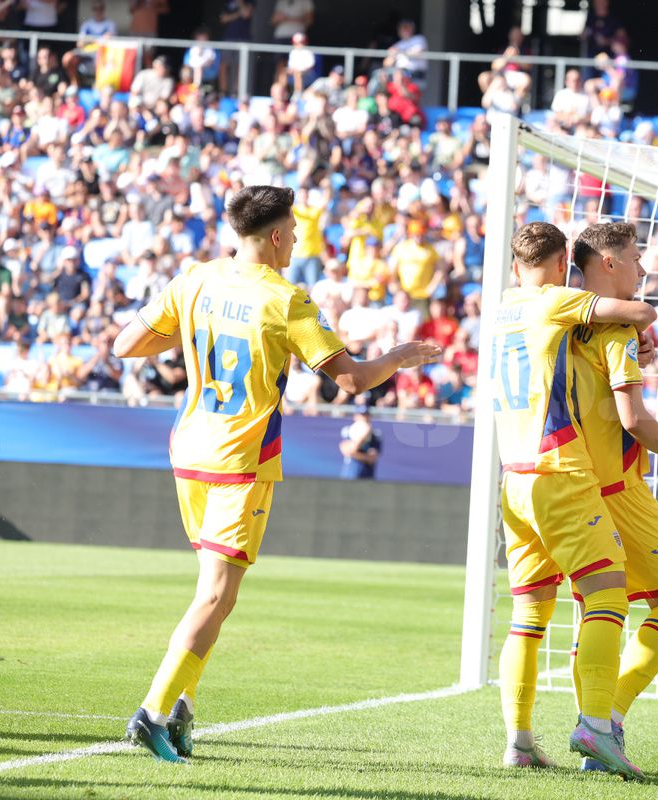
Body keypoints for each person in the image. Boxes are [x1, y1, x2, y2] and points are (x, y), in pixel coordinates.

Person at [112, 185, 440, 763]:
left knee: (214, 596)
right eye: (294, 231)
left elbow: (125, 345)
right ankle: (154, 710)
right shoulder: (288, 300)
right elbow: (354, 381)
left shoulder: (195, 279)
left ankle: (182, 708)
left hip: (190, 449)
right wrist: (399, 357)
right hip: (241, 460)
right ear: (278, 236)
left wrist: (192, 332)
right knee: (216, 595)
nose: (297, 240)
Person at [492, 222, 655, 778]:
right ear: (565, 263)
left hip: (512, 477)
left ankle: (518, 739)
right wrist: (640, 321)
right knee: (608, 592)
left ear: (516, 264)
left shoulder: (504, 308)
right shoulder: (555, 299)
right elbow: (635, 313)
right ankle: (597, 725)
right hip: (558, 471)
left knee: (529, 615)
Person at [568, 222, 658, 772]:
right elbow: (635, 419)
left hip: (570, 486)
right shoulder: (620, 329)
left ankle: (585, 730)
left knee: (597, 610)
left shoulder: (562, 320)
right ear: (606, 263)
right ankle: (607, 720)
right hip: (619, 490)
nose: (643, 269)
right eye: (633, 258)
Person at [339, 406, 381, 479]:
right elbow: (347, 450)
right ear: (355, 417)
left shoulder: (375, 434)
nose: (364, 418)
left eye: (366, 415)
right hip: (349, 474)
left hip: (366, 476)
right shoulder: (348, 431)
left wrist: (354, 453)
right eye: (362, 415)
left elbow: (372, 458)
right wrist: (363, 436)